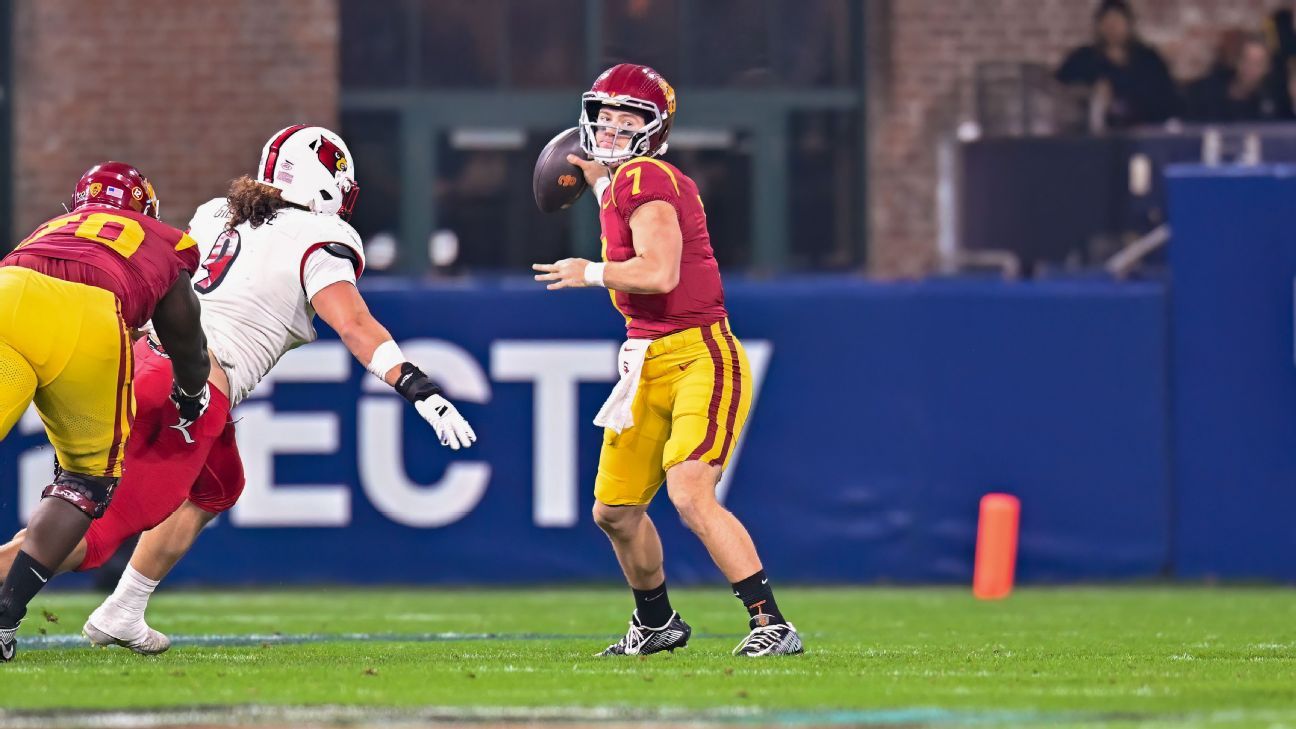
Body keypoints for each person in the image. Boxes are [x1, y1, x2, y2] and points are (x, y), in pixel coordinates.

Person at [0, 125, 477, 654]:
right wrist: (419, 387)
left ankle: (123, 610)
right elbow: (356, 326)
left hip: (139, 359)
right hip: (193, 386)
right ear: (326, 184)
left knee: (218, 485)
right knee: (90, 534)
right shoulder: (319, 241)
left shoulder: (216, 213)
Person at [532, 64, 802, 657]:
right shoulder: (621, 183)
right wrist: (597, 184)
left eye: (628, 120)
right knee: (616, 511)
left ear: (652, 131)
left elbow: (659, 272)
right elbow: (616, 199)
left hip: (699, 354)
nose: (609, 130)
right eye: (604, 117)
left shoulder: (648, 176)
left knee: (689, 493)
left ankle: (771, 623)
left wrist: (589, 272)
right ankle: (655, 624)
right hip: (647, 358)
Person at [0, 163, 210, 662]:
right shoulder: (164, 238)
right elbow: (187, 342)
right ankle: (4, 616)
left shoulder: (51, 228)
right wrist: (190, 393)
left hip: (8, 289)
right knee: (86, 478)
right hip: (88, 313)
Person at [1056, 0, 1181, 130]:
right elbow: (1060, 92)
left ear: (1129, 24)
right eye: (1107, 22)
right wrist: (1091, 95)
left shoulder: (1148, 59)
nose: (1112, 28)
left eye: (1117, 21)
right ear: (1098, 26)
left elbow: (1168, 101)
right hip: (1093, 137)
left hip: (1142, 134)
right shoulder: (1082, 59)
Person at [1185, 32, 1280, 122]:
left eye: (1258, 63)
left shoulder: (1268, 103)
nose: (1250, 68)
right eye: (1246, 60)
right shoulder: (1209, 90)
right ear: (1237, 61)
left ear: (1267, 68)